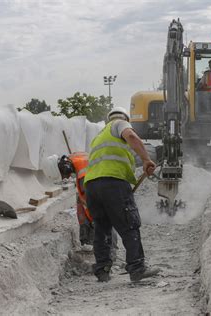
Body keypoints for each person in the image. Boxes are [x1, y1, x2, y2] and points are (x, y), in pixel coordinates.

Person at [84, 106, 160, 283]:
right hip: (113, 183)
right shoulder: (119, 124)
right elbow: (132, 136)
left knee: (102, 229)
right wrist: (147, 159)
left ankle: (102, 271)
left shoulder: (99, 136)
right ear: (125, 118)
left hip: (92, 186)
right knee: (129, 225)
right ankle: (137, 268)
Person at [43, 152, 95, 246]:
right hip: (104, 183)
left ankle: (99, 246)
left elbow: (91, 203)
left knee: (98, 218)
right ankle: (87, 240)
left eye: (63, 176)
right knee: (80, 201)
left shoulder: (82, 175)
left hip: (103, 191)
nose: (66, 178)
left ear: (64, 168)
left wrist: (93, 220)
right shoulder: (74, 157)